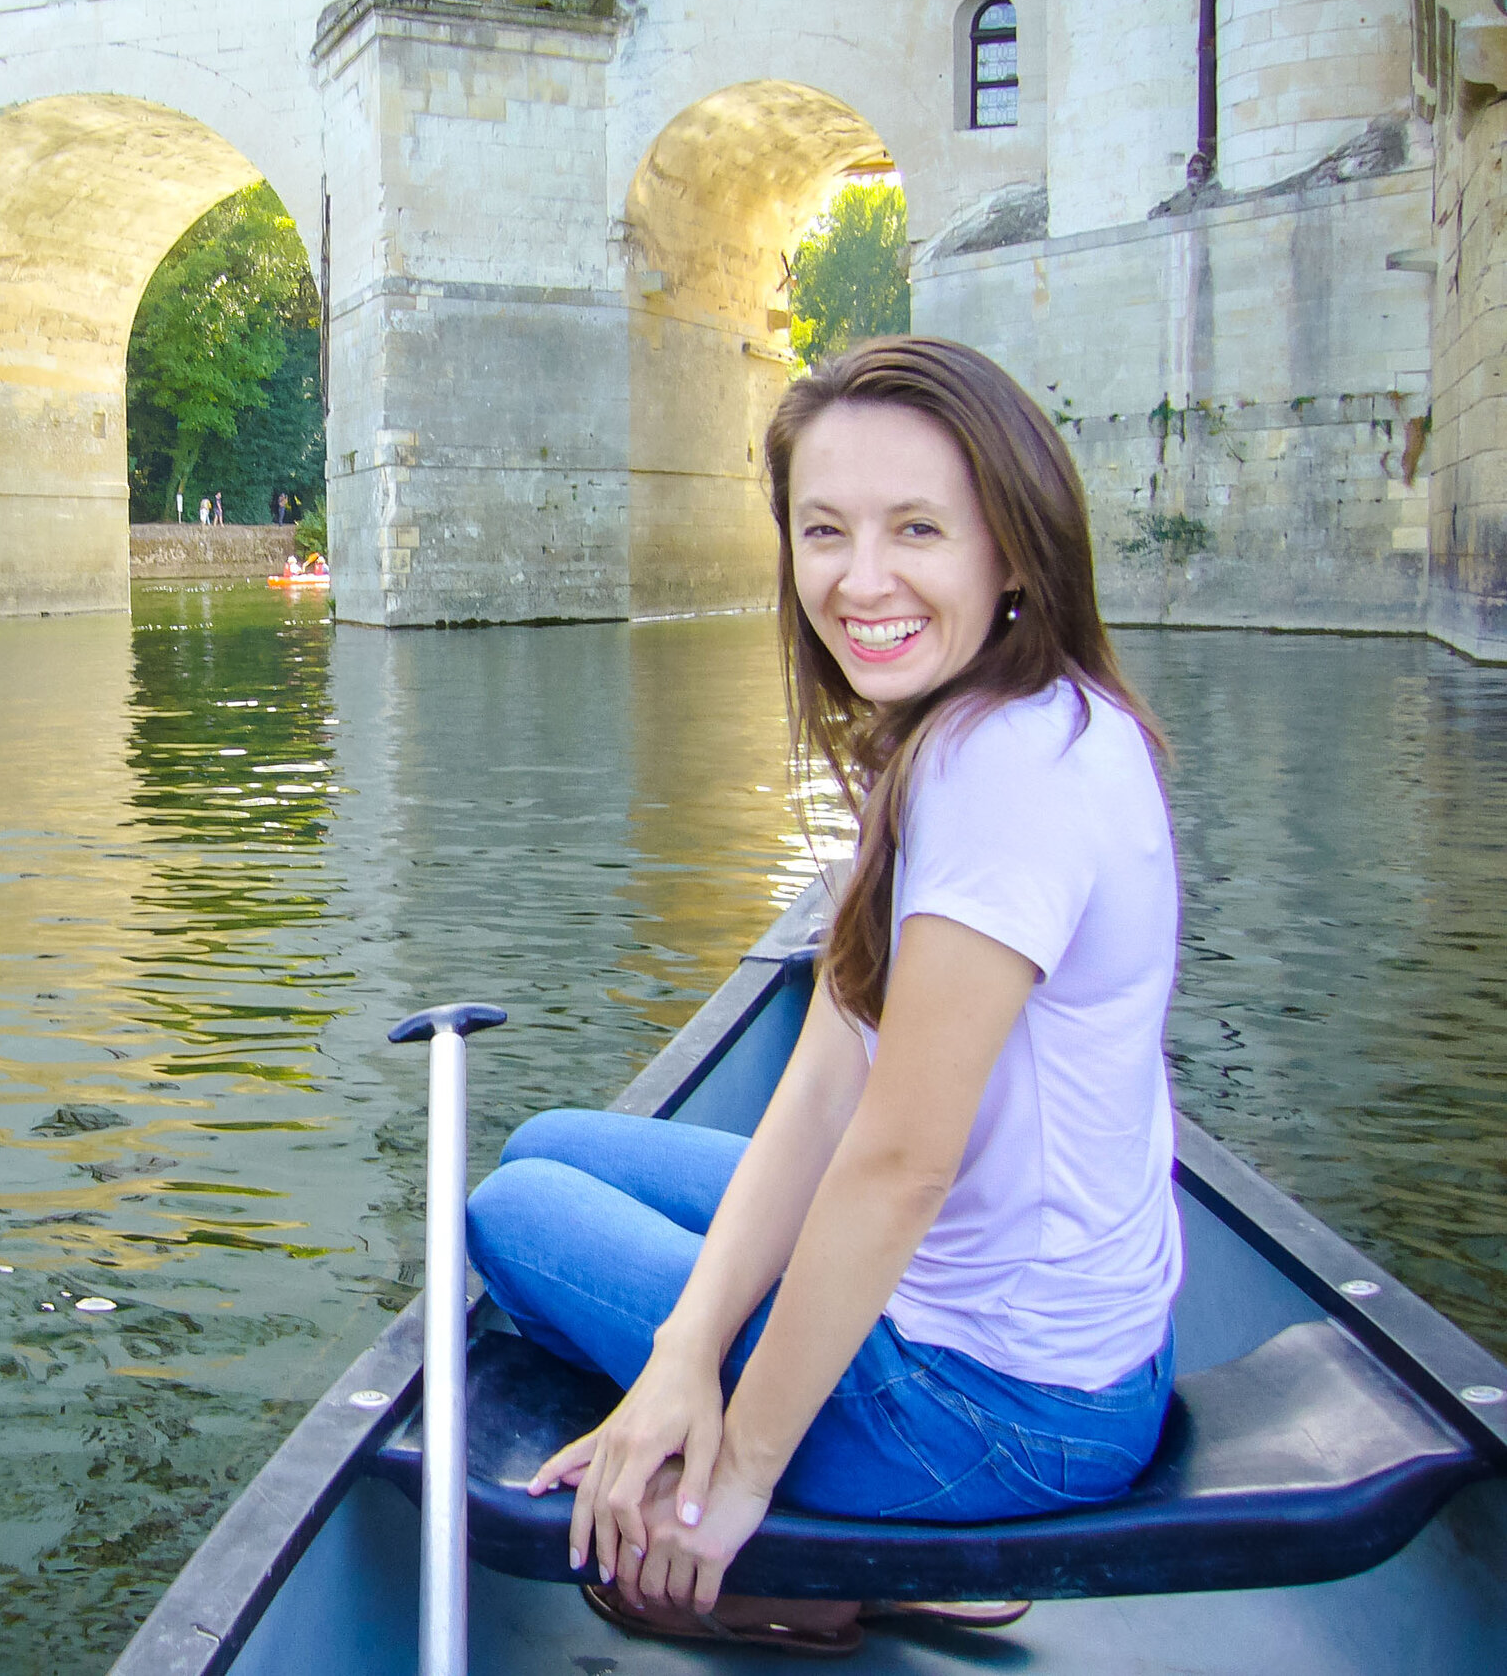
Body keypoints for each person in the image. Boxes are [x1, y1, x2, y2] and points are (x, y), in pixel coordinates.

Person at [466, 337, 1181, 1656]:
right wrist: (686, 1348)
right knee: (551, 1145)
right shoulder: (977, 726)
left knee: (511, 1211)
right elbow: (826, 1084)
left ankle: (840, 1566)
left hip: (999, 1413)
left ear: (1013, 549)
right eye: (824, 531)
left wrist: (731, 1481)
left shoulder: (1003, 777)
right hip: (1061, 1361)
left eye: (918, 529)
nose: (862, 582)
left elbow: (898, 1165)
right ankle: (886, 1524)